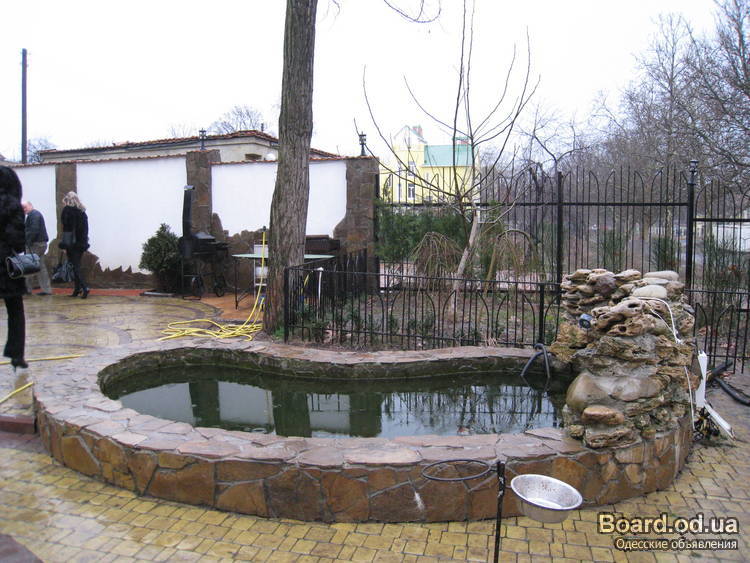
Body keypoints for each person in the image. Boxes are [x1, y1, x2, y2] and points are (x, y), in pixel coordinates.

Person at [0, 166, 28, 369]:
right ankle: (16, 355)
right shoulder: (12, 206)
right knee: (15, 310)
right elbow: (18, 242)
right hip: (6, 265)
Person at [60, 191, 90, 298]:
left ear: (67, 200)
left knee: (75, 266)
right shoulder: (82, 212)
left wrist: (64, 245)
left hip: (72, 243)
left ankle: (84, 287)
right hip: (81, 243)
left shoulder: (67, 211)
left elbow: (66, 229)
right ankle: (77, 290)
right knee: (76, 265)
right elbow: (85, 230)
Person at [21, 200, 52, 296]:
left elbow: (33, 230)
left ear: (30, 205)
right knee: (41, 266)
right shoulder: (35, 214)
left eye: (25, 207)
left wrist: (27, 242)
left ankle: (27, 288)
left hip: (35, 244)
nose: (24, 209)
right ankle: (46, 289)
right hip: (41, 244)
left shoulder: (33, 215)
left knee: (29, 266)